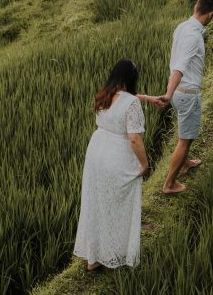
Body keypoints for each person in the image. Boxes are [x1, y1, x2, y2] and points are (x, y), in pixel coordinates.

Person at [73, 59, 163, 271]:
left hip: (95, 154)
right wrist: (145, 164)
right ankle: (115, 252)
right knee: (117, 205)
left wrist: (147, 98)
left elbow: (124, 101)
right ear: (132, 79)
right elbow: (134, 139)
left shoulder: (105, 93)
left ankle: (92, 259)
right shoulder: (131, 103)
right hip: (116, 156)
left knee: (95, 202)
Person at [159, 0, 213, 195]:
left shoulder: (182, 27)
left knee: (186, 133)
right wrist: (168, 94)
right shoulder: (194, 35)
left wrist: (171, 91)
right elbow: (180, 66)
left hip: (179, 92)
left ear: (196, 8)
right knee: (185, 139)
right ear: (210, 15)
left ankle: (185, 164)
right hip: (186, 93)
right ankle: (169, 184)